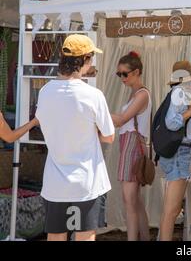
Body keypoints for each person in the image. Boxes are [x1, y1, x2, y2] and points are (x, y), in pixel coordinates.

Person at [35, 34, 115, 241]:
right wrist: (90, 130)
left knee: (55, 236)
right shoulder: (93, 95)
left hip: (55, 182)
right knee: (85, 236)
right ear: (85, 59)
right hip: (86, 182)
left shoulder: (45, 92)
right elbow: (109, 136)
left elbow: (44, 124)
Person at [159, 61, 191, 241]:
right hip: (179, 153)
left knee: (172, 209)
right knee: (171, 210)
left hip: (177, 152)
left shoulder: (177, 93)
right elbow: (171, 123)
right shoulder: (180, 93)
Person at [111, 51, 151, 241]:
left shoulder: (142, 94)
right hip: (132, 143)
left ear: (136, 72)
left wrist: (98, 109)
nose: (121, 78)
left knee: (129, 201)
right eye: (119, 74)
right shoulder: (136, 94)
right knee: (135, 201)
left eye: (124, 74)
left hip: (132, 144)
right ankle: (144, 237)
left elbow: (121, 120)